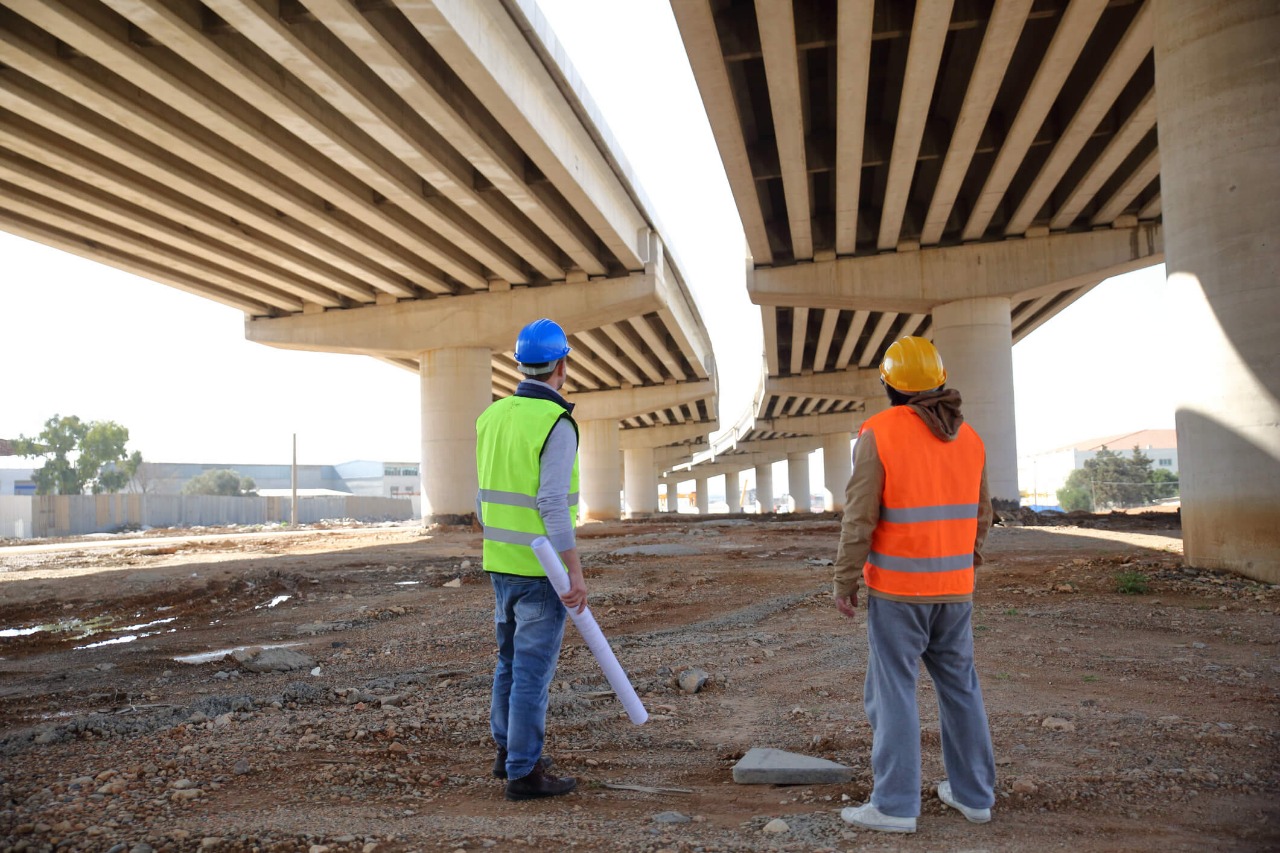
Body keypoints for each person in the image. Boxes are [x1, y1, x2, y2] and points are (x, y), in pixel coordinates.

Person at [833, 335, 996, 834]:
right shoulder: (969, 437)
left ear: (889, 386)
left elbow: (860, 515)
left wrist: (845, 578)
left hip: (899, 592)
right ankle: (975, 797)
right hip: (954, 590)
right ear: (939, 381)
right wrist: (964, 565)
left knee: (894, 693)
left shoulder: (878, 432)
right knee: (961, 688)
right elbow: (982, 516)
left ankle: (895, 805)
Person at [475, 318, 588, 801]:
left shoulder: (491, 417)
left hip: (501, 563)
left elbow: (480, 500)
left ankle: (507, 754)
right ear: (561, 365)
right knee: (531, 674)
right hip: (542, 571)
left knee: (508, 664)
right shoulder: (555, 422)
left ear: (521, 365)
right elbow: (551, 505)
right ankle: (524, 772)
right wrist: (574, 570)